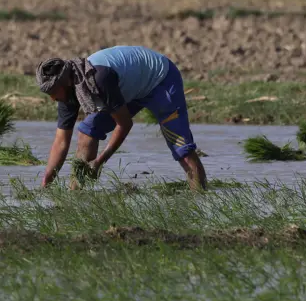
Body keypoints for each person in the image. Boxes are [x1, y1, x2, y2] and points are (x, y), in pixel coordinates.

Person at [35, 45, 207, 191]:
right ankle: (75, 194)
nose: (52, 98)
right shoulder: (68, 91)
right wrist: (46, 183)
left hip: (160, 80)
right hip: (128, 88)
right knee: (87, 133)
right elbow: (61, 142)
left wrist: (99, 162)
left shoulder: (99, 79)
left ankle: (199, 200)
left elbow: (124, 124)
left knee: (182, 149)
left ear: (64, 83)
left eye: (52, 92)